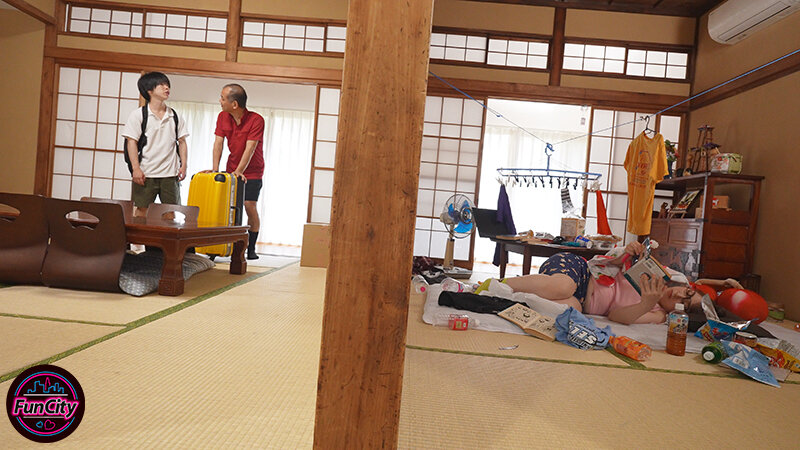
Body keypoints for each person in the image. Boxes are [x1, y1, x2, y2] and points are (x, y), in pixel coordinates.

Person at [497, 241, 742, 325]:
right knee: (563, 287)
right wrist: (627, 252)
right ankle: (497, 283)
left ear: (680, 314)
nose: (678, 296)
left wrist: (646, 304)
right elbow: (609, 262)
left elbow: (615, 316)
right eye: (687, 293)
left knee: (567, 311)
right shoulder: (668, 275)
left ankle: (504, 297)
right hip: (581, 272)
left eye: (683, 304)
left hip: (583, 302)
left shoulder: (657, 314)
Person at [121, 72, 189, 217]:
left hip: (170, 174)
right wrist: (136, 169)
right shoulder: (138, 115)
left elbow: (182, 142)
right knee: (140, 212)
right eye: (161, 85)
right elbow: (131, 142)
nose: (166, 88)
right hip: (146, 173)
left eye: (167, 85)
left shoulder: (175, 115)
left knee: (170, 214)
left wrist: (184, 165)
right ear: (149, 90)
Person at [211, 84, 265, 260]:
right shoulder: (222, 117)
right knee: (227, 208)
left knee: (249, 205)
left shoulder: (256, 120)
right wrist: (215, 169)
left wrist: (239, 172)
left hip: (253, 171)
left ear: (234, 104)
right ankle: (219, 247)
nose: (220, 101)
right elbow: (218, 143)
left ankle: (251, 248)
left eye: (222, 98)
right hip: (231, 168)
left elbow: (250, 148)